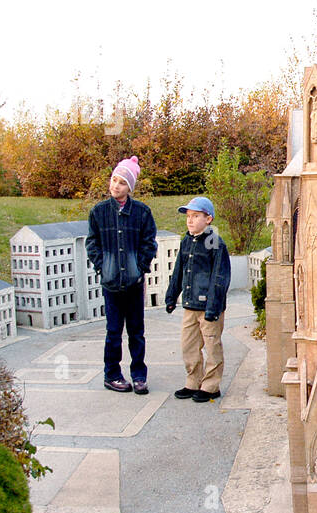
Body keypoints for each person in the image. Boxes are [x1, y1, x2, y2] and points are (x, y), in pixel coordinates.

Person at [86, 156, 158, 394]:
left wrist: (140, 268)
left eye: (122, 183)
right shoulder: (98, 213)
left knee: (136, 332)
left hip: (134, 284)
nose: (116, 186)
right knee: (113, 331)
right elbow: (92, 244)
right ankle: (112, 374)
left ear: (130, 187)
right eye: (114, 180)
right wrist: (102, 266)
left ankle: (139, 375)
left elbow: (149, 243)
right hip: (111, 285)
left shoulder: (142, 213)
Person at [165, 196, 232, 403]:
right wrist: (171, 296)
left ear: (208, 219)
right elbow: (178, 271)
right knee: (189, 345)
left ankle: (211, 385)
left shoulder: (215, 243)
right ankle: (193, 381)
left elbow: (219, 277)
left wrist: (213, 306)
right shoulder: (187, 240)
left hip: (209, 307)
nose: (190, 220)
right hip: (190, 305)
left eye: (195, 216)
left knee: (212, 345)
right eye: (188, 216)